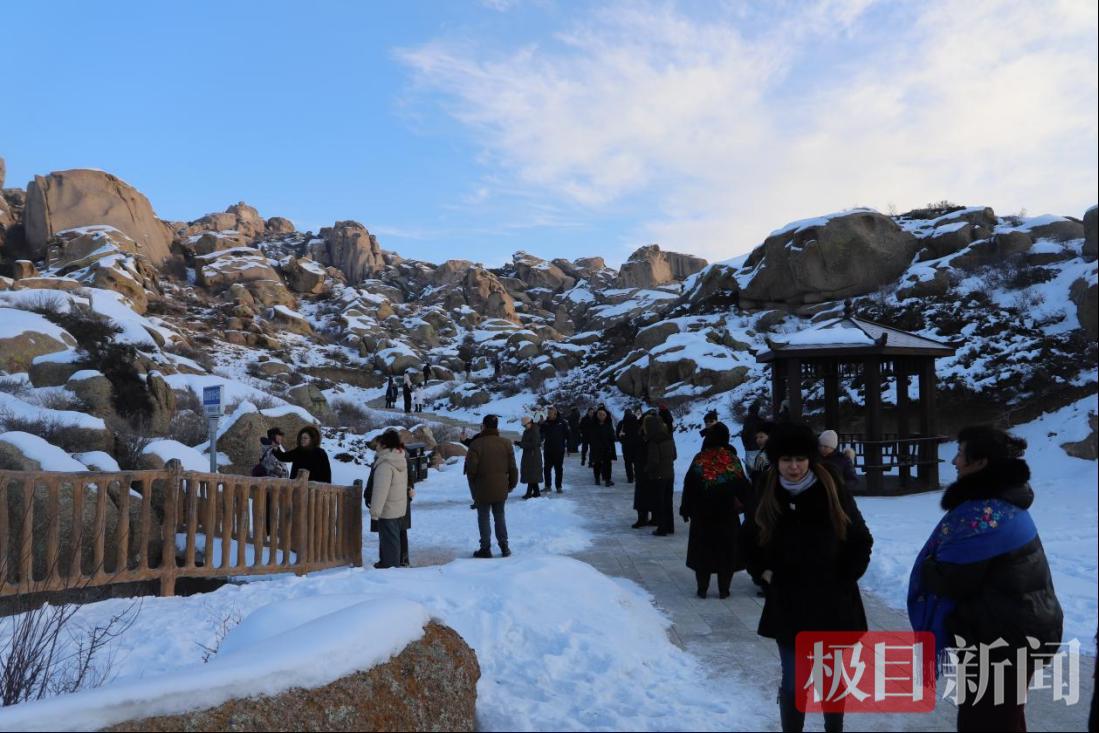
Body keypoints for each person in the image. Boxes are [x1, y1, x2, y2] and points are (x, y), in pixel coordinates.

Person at [907, 426, 1062, 733]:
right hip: (1020, 629)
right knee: (1005, 717)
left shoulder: (982, 515)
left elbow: (953, 581)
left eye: (960, 454)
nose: (954, 461)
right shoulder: (1004, 502)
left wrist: (927, 567)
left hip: (1003, 640)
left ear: (980, 462)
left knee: (984, 721)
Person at [741, 421, 873, 733]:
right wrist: (763, 572)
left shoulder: (831, 486)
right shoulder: (767, 489)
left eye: (800, 459)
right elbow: (748, 538)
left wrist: (843, 578)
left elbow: (860, 539)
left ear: (810, 459)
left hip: (832, 603)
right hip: (789, 603)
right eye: (786, 460)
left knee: (831, 678)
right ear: (776, 461)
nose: (794, 467)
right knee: (794, 680)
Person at [680, 422, 751, 598]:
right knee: (726, 552)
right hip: (727, 514)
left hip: (702, 514)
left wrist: (686, 508)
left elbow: (689, 485)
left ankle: (702, 588)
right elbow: (742, 486)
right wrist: (750, 505)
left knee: (702, 551)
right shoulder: (731, 459)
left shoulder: (700, 459)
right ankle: (724, 589)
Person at [464, 414, 518, 557]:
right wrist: (511, 484)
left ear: (484, 426)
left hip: (482, 487)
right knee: (500, 516)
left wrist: (474, 487)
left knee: (484, 517)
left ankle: (485, 548)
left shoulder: (476, 444)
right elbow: (513, 467)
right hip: (501, 486)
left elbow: (471, 470)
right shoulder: (506, 443)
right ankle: (504, 546)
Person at [367, 430, 409, 569]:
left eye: (379, 443)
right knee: (392, 540)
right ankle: (385, 563)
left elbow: (380, 491)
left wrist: (375, 512)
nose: (376, 446)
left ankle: (390, 569)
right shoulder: (399, 458)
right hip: (398, 508)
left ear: (384, 444)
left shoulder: (385, 464)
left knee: (389, 541)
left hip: (388, 509)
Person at [644, 411, 677, 536]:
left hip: (658, 476)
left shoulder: (654, 441)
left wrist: (647, 469)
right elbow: (674, 455)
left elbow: (654, 461)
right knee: (668, 501)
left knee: (660, 502)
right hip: (670, 474)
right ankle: (670, 526)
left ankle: (662, 528)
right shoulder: (669, 438)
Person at [541, 406, 569, 493]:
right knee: (547, 468)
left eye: (550, 413)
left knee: (558, 469)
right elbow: (540, 433)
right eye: (548, 413)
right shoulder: (545, 423)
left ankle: (559, 486)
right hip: (548, 449)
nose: (548, 415)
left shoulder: (562, 423)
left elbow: (568, 434)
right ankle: (547, 486)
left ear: (555, 414)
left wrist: (567, 446)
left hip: (559, 449)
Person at [589, 407, 617, 487]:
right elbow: (590, 436)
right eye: (600, 414)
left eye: (603, 414)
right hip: (596, 448)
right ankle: (597, 479)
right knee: (597, 464)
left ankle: (607, 480)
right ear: (597, 415)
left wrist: (612, 439)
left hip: (606, 447)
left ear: (606, 415)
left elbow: (612, 437)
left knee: (608, 464)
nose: (601, 416)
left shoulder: (608, 424)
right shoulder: (593, 424)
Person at [518, 415, 543, 499]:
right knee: (532, 474)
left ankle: (529, 493)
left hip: (533, 455)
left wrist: (521, 444)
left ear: (529, 423)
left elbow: (534, 444)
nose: (524, 427)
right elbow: (526, 442)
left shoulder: (534, 431)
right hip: (529, 455)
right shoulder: (527, 431)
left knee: (532, 474)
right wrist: (519, 443)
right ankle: (536, 492)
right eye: (523, 426)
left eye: (525, 425)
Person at [617, 408, 642, 484]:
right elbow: (641, 432)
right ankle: (637, 476)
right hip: (636, 445)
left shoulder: (621, 423)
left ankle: (630, 478)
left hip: (626, 446)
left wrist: (622, 441)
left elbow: (618, 434)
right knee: (637, 462)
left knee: (627, 463)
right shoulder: (636, 421)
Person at [740, 402, 764, 470]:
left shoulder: (747, 421)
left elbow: (744, 435)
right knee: (761, 467)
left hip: (750, 448)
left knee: (751, 468)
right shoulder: (761, 421)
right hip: (759, 447)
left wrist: (746, 446)